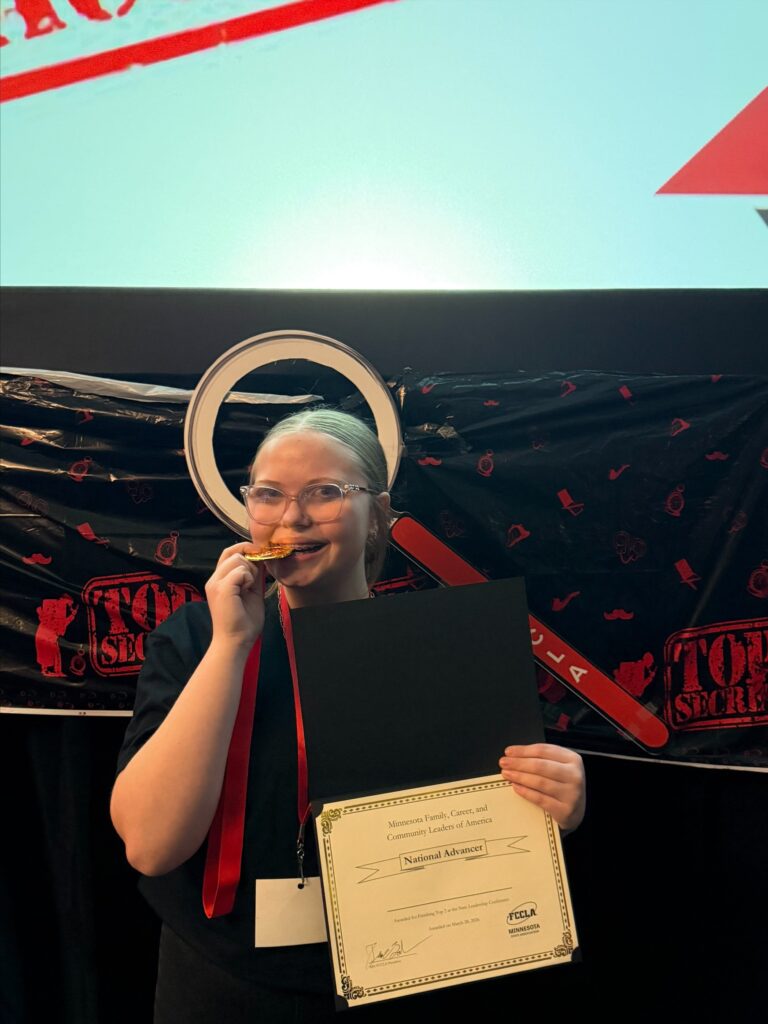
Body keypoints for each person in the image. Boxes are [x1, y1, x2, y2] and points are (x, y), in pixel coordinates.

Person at [110, 409, 586, 1022]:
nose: (292, 517)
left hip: (404, 973)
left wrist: (549, 805)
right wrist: (233, 646)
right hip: (223, 982)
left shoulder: (443, 644)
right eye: (269, 494)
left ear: (377, 516)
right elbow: (151, 847)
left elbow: (488, 828)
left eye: (325, 493)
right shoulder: (197, 638)